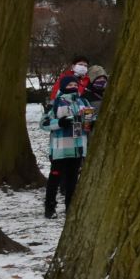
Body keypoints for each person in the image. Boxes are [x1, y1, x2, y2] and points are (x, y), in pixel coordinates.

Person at [42, 70, 90, 219]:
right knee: (55, 178)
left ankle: (70, 207)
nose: (73, 86)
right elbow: (44, 124)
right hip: (60, 149)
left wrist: (90, 123)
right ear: (63, 86)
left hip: (77, 148)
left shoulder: (83, 102)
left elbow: (89, 122)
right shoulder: (56, 103)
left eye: (75, 84)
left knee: (72, 179)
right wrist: (60, 122)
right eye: (69, 84)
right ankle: (50, 207)